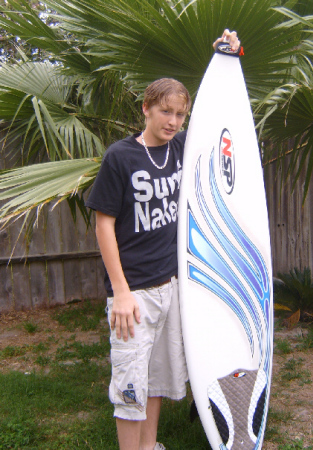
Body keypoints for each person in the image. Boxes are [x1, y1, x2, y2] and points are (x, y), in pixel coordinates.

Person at [86, 29, 240, 450]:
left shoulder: (183, 149)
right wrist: (120, 292)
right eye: (165, 112)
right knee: (130, 387)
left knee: (155, 381)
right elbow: (103, 224)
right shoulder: (121, 157)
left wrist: (226, 55)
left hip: (174, 287)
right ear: (146, 109)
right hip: (134, 292)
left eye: (180, 115)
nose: (173, 121)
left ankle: (149, 445)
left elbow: (222, 118)